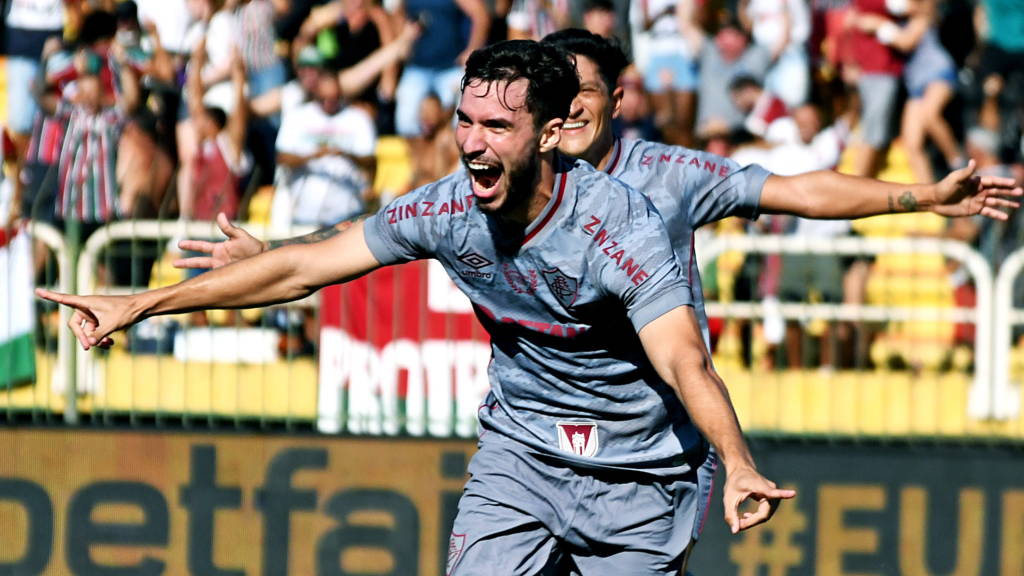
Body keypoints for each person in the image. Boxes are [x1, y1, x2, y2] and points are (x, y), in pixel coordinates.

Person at [173, 29, 1022, 564]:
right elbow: (383, 232)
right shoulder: (494, 178)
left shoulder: (669, 177)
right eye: (558, 93)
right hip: (529, 446)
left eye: (584, 94)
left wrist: (915, 198)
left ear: (614, 101)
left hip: (645, 461)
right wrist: (279, 250)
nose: (571, 108)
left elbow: (801, 192)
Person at [39, 40, 792, 573]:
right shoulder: (447, 209)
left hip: (640, 472)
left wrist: (738, 462)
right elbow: (302, 268)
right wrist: (141, 303)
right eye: (466, 120)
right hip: (522, 457)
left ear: (552, 134)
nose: (472, 143)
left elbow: (683, 358)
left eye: (497, 126)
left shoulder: (618, 225)